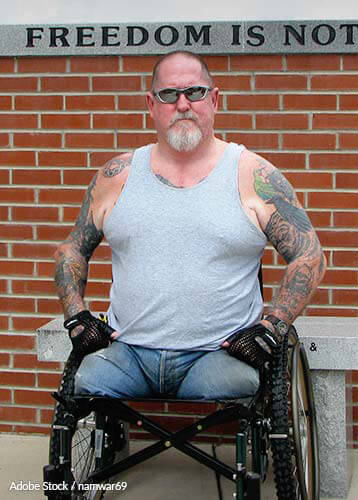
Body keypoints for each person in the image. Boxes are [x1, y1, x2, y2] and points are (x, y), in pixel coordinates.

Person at [53, 50, 326, 400]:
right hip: (127, 353)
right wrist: (77, 316)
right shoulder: (116, 177)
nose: (183, 104)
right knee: (84, 384)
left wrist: (272, 326)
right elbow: (71, 249)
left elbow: (309, 256)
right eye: (169, 94)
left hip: (218, 357)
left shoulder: (254, 175)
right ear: (151, 105)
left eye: (195, 92)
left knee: (234, 388)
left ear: (214, 100)